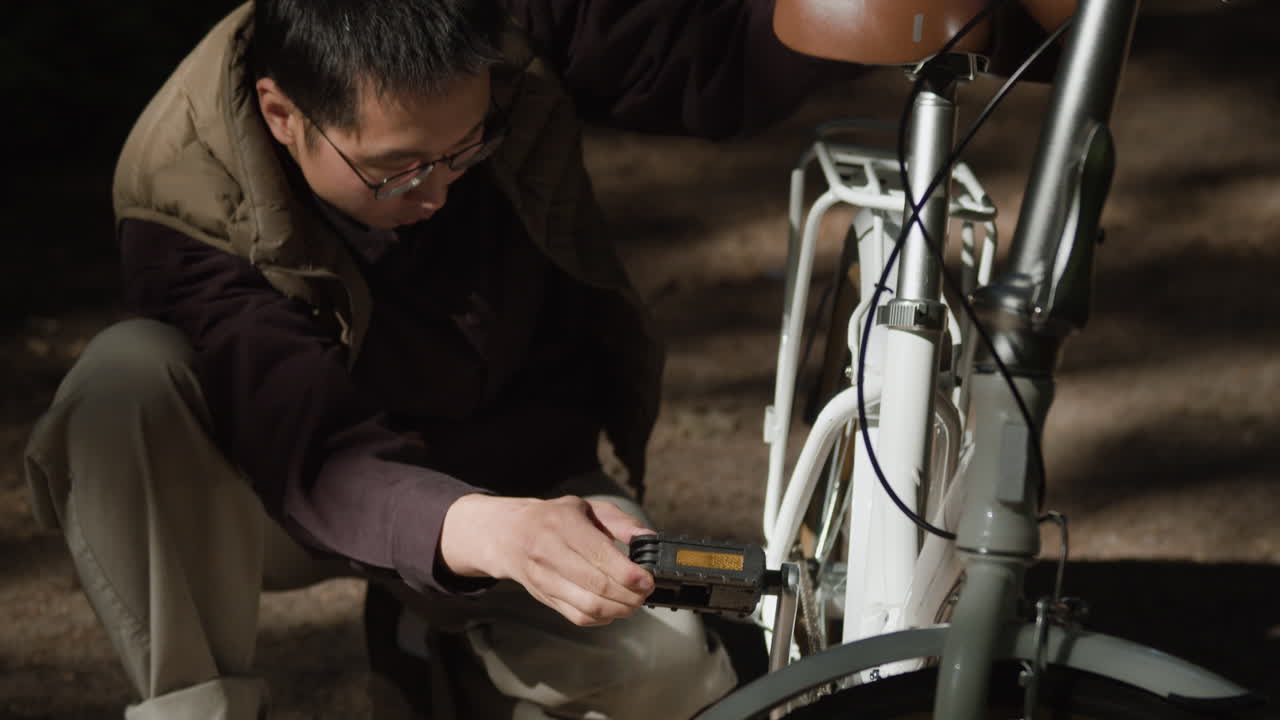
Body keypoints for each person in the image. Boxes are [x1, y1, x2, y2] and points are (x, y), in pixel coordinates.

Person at [21, 1, 861, 718]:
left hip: (516, 471)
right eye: (396, 169)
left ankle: (438, 648)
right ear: (282, 115)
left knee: (669, 673)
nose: (437, 192)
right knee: (126, 381)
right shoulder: (185, 193)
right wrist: (492, 534)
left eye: (468, 147)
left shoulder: (499, 19)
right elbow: (310, 451)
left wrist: (864, 16)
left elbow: (705, 62)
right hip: (276, 493)